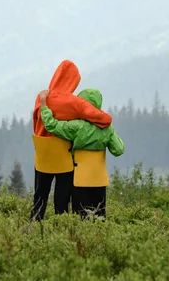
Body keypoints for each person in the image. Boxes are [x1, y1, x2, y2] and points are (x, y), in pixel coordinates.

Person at [30, 60, 113, 221]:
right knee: (62, 200)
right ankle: (61, 226)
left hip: (43, 156)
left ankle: (34, 224)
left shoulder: (41, 98)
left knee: (40, 195)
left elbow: (36, 123)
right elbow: (105, 119)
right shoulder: (75, 102)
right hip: (64, 159)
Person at [39, 88, 125, 220]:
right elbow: (118, 150)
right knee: (100, 219)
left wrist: (44, 104)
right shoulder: (107, 127)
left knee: (81, 219)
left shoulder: (77, 126)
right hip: (99, 181)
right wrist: (109, 132)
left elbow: (51, 125)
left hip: (79, 180)